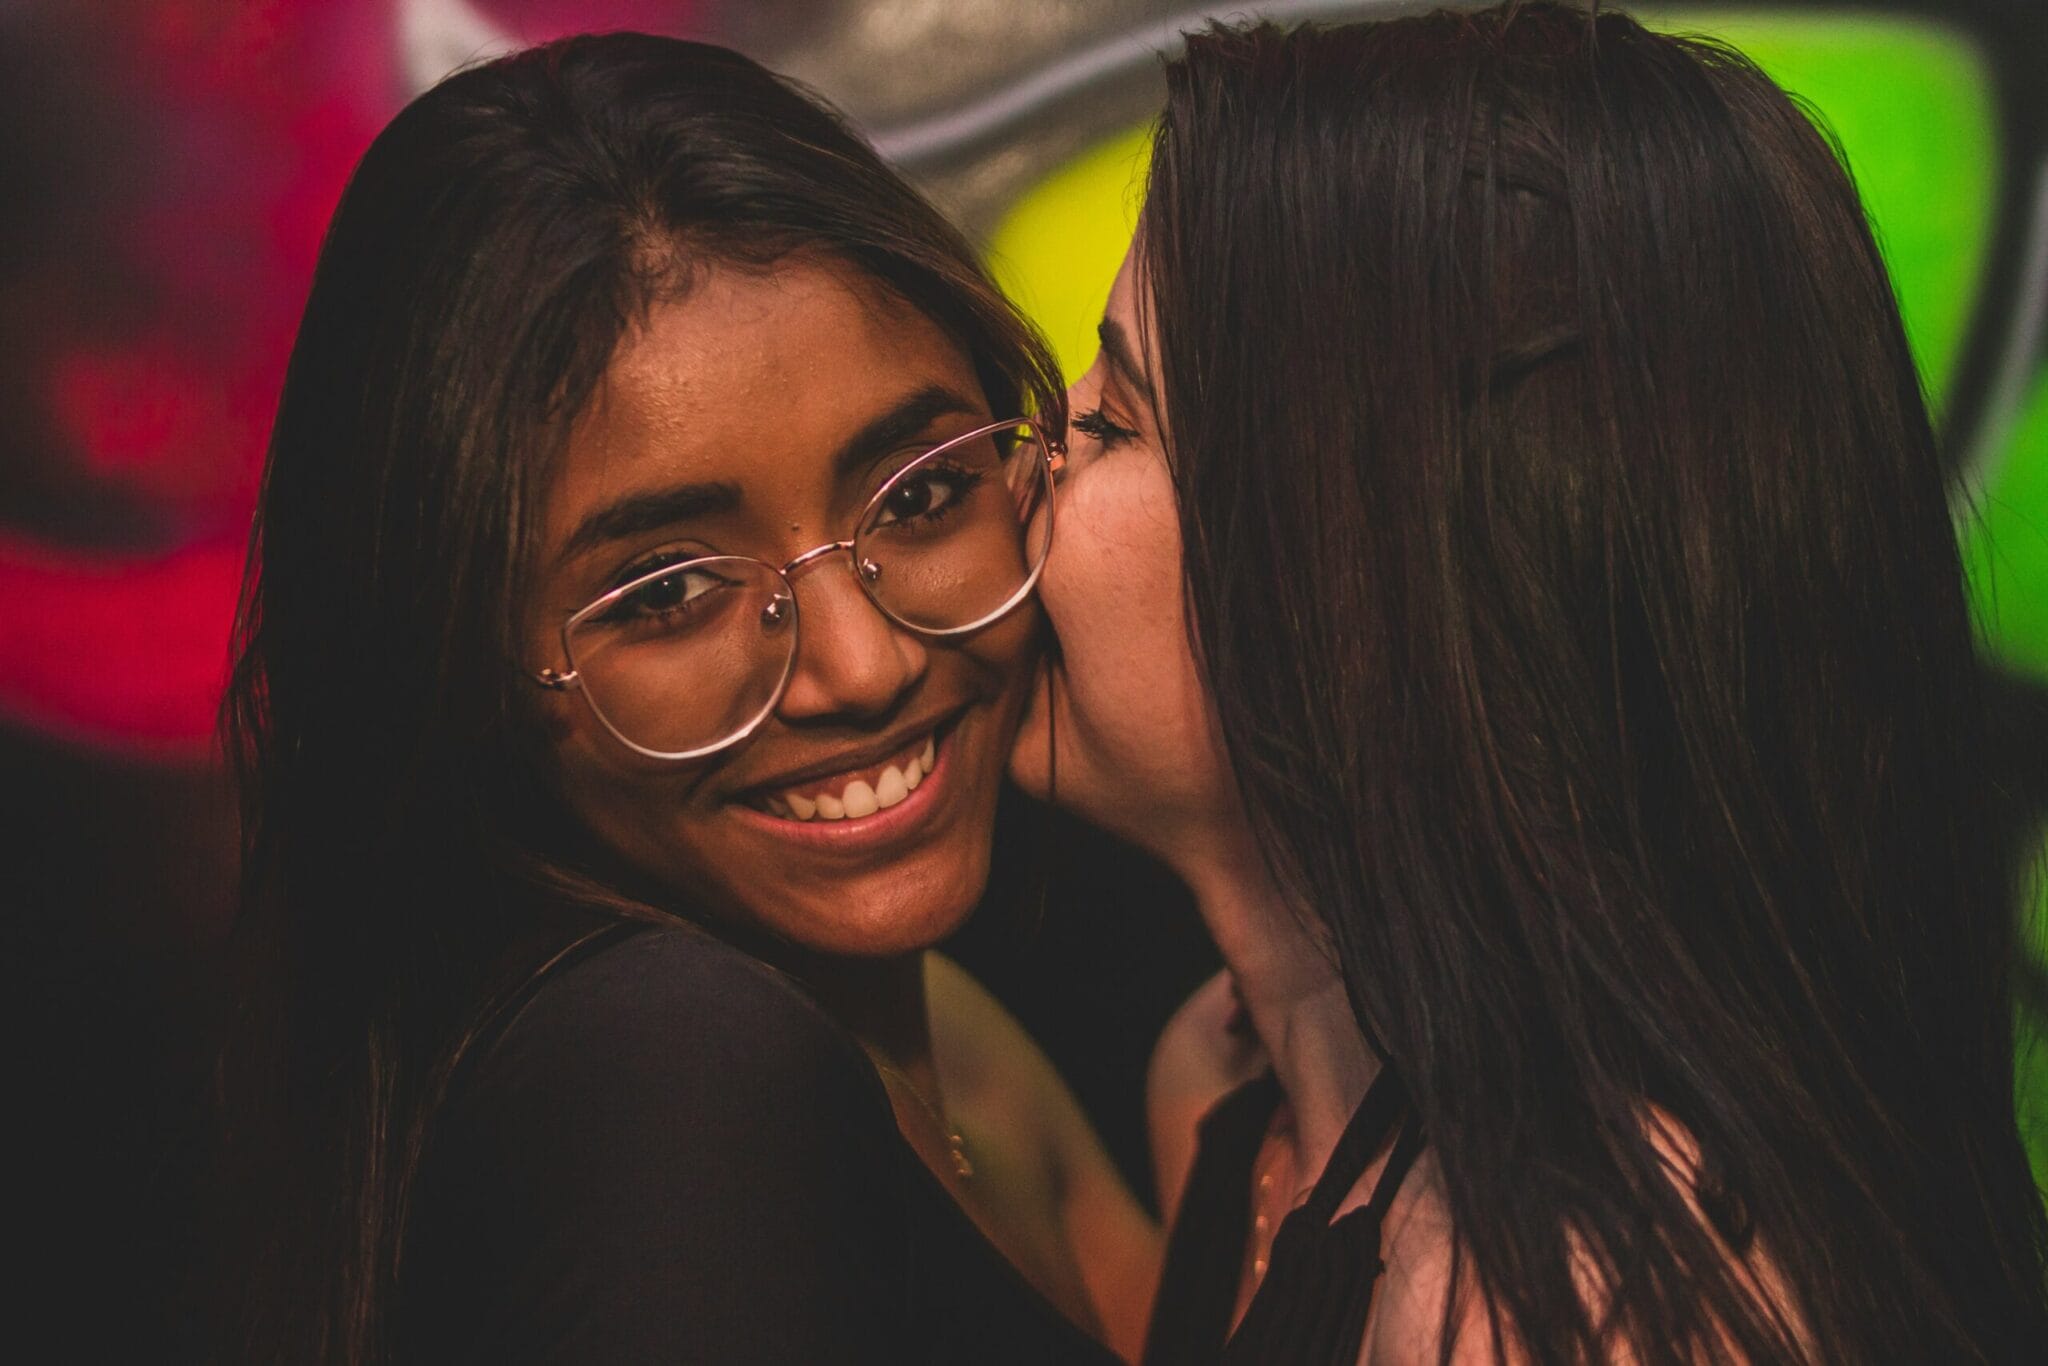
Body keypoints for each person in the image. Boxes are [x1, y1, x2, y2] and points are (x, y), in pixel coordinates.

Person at [1012, 6, 2048, 1361]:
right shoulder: (1226, 1084)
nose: (1037, 461)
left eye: (1116, 419)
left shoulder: (1587, 1300)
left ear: (1361, 583)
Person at [215, 33, 1155, 1365]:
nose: (862, 665)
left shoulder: (940, 1018)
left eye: (922, 492)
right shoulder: (678, 1070)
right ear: (462, 669)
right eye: (665, 592)